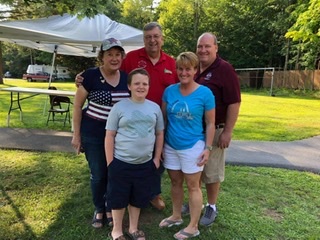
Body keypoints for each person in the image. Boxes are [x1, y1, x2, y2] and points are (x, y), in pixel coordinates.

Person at [75, 22, 177, 210]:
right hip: (130, 123)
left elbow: (182, 85)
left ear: (162, 38)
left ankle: (152, 193)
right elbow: (107, 70)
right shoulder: (131, 58)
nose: (152, 40)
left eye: (156, 36)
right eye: (148, 37)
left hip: (159, 120)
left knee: (156, 160)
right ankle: (117, 200)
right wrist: (83, 76)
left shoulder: (172, 63)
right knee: (126, 162)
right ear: (144, 39)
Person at [71, 38, 130, 228]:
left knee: (114, 173)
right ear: (101, 57)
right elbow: (78, 105)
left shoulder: (127, 78)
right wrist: (76, 135)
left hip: (119, 137)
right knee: (98, 174)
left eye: (117, 54)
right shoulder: (89, 76)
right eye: (109, 54)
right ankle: (99, 208)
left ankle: (110, 206)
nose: (114, 58)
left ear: (122, 57)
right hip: (93, 134)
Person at [159, 52, 216, 239]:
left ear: (195, 70)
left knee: (193, 186)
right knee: (175, 182)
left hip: (193, 146)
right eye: (180, 69)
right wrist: (160, 147)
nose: (184, 73)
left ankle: (193, 226)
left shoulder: (205, 93)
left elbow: (210, 124)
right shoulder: (169, 91)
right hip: (171, 145)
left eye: (188, 69)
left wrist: (207, 149)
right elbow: (163, 121)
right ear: (176, 70)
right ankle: (176, 216)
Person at [188, 32, 241, 227]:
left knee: (211, 171)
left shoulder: (224, 69)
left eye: (207, 46)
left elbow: (234, 102)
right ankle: (196, 202)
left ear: (216, 48)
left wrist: (227, 131)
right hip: (195, 129)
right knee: (196, 168)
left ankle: (211, 206)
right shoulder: (195, 69)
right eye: (200, 46)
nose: (203, 50)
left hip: (216, 129)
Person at [105, 68, 164, 240]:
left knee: (138, 197)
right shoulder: (119, 107)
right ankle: (117, 230)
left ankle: (133, 228)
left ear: (149, 86)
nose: (141, 86)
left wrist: (156, 158)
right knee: (118, 197)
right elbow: (109, 135)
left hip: (145, 164)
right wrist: (111, 162)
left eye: (144, 83)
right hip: (121, 163)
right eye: (137, 83)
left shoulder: (154, 108)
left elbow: (159, 133)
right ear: (129, 86)